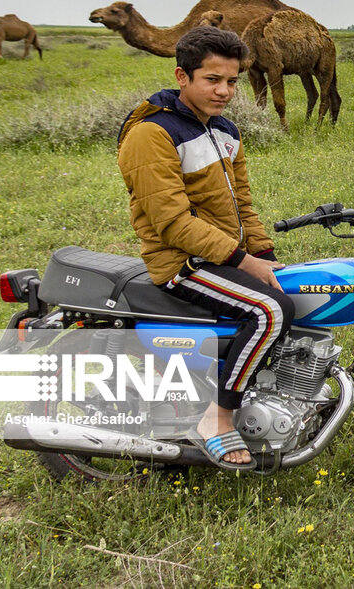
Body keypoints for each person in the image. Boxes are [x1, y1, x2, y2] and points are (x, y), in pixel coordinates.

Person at [117, 25, 293, 469]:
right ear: (183, 76)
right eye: (212, 80)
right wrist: (242, 259)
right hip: (182, 262)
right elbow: (172, 223)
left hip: (217, 255)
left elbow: (242, 206)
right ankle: (217, 418)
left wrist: (265, 256)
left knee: (295, 292)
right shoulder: (152, 134)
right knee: (268, 311)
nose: (224, 91)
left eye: (232, 81)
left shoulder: (224, 129)